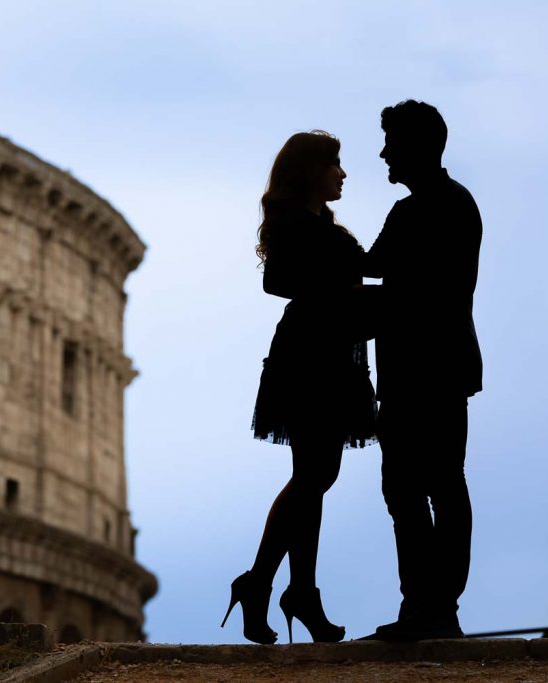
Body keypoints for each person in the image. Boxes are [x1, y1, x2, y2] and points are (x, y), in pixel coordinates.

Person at [221, 131, 378, 644]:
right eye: (334, 164)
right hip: (311, 358)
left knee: (316, 476)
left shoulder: (321, 226)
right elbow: (279, 281)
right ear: (310, 170)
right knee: (314, 475)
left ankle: (292, 589)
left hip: (330, 356)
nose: (343, 173)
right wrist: (345, 290)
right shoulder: (295, 223)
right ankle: (269, 584)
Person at [362, 100, 482, 641]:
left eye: (391, 142)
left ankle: (433, 608)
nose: (384, 153)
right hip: (434, 367)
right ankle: (430, 608)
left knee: (425, 487)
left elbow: (373, 271)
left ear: (416, 146)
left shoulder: (423, 211)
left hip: (421, 369)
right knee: (422, 487)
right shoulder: (447, 204)